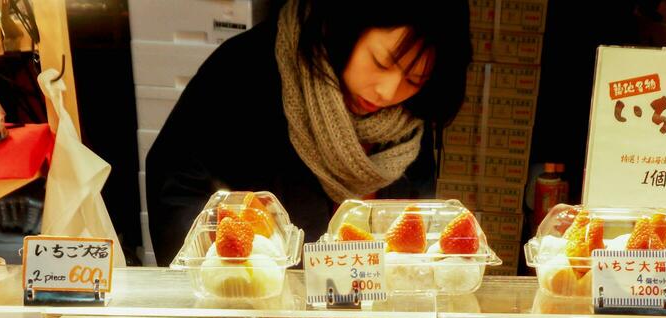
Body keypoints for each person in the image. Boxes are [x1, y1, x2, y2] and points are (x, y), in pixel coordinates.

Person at [146, 0, 472, 264]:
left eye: (414, 80)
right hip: (259, 307)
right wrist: (223, 267)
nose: (387, 91)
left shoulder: (409, 119)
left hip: (362, 306)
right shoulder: (243, 72)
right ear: (346, 25)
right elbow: (177, 186)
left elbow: (415, 213)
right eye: (380, 62)